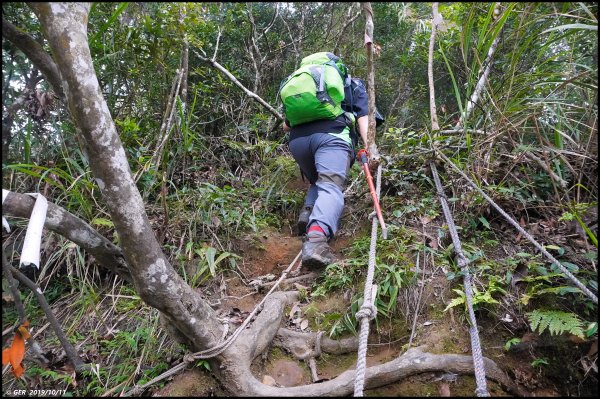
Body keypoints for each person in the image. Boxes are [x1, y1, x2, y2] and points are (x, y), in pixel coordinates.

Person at [282, 61, 375, 271]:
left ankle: (308, 212)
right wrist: (370, 147)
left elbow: (286, 125)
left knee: (318, 180)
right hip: (333, 137)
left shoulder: (303, 83)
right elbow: (363, 117)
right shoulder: (353, 84)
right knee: (331, 186)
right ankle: (316, 239)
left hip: (298, 142)